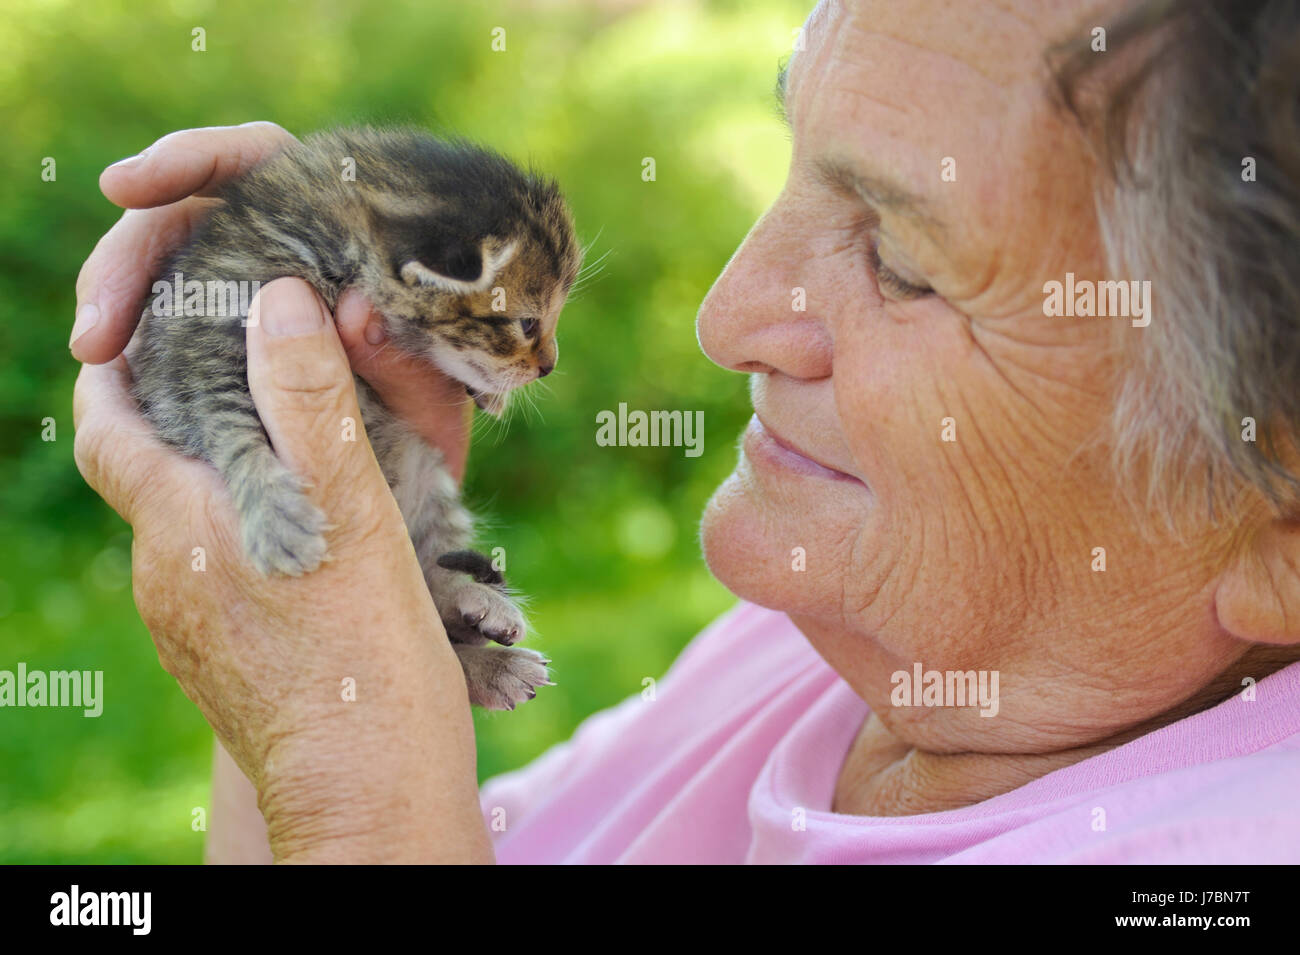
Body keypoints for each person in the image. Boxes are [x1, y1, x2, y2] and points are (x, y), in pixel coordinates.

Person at [72, 0, 1300, 863]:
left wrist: (356, 801)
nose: (729, 317)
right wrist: (335, 567)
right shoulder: (813, 651)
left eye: (903, 262)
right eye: (799, 166)